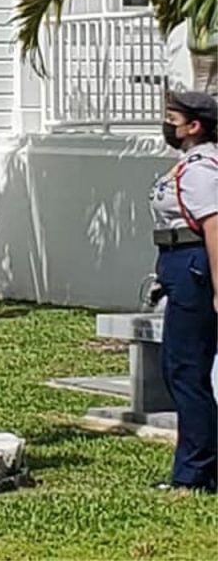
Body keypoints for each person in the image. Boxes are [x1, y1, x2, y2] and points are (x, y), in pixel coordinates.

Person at [149, 89, 218, 492]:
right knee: (182, 370)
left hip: (194, 267)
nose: (167, 125)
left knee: (185, 370)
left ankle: (194, 472)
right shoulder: (190, 164)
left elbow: (213, 227)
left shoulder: (201, 169)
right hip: (180, 264)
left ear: (194, 126)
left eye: (173, 118)